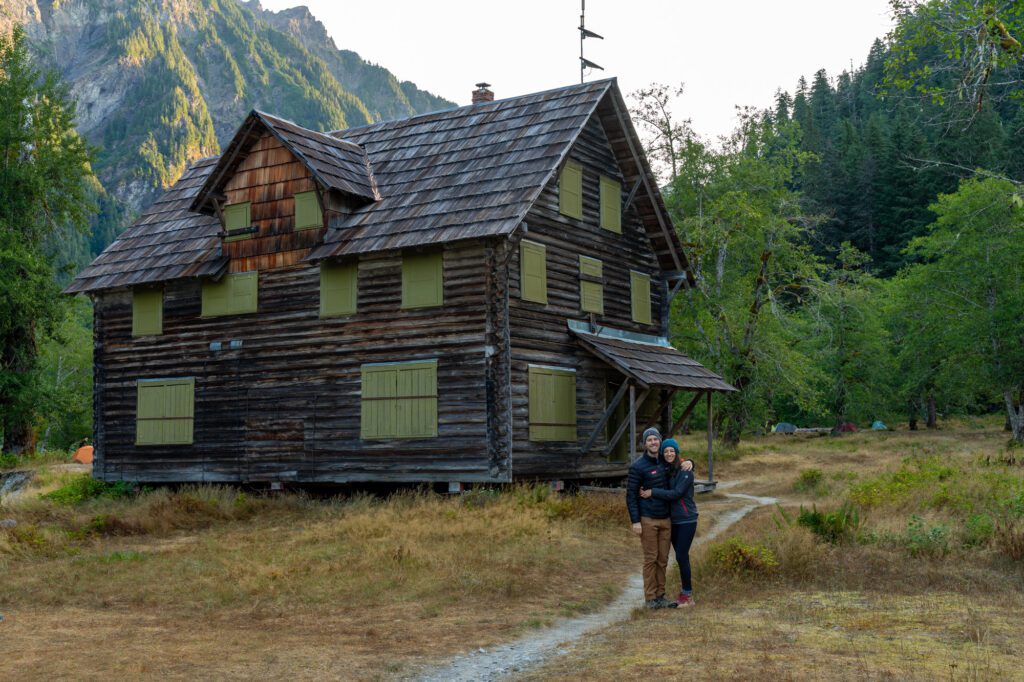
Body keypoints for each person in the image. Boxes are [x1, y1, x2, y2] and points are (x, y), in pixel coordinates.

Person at [641, 437, 698, 607]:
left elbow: (676, 493)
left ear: (677, 452)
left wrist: (653, 492)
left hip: (687, 519)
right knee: (676, 556)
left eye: (672, 450)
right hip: (673, 520)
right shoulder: (668, 469)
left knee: (681, 556)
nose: (669, 453)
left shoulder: (685, 471)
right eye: (666, 451)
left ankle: (688, 595)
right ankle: (661, 595)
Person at [626, 427, 676, 609]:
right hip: (648, 519)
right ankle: (650, 598)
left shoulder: (665, 461)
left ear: (660, 441)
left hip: (666, 519)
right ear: (645, 444)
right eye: (650, 440)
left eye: (656, 439)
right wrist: (635, 521)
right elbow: (631, 495)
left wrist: (690, 463)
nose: (653, 442)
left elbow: (680, 463)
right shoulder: (637, 467)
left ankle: (661, 595)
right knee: (651, 559)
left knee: (663, 559)